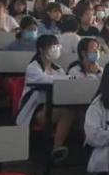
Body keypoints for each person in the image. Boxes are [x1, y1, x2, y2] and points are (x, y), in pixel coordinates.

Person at [15, 34, 74, 163]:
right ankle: (55, 147)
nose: (56, 49)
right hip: (36, 110)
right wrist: (67, 78)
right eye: (52, 47)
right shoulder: (33, 67)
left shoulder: (58, 69)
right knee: (65, 109)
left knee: (70, 109)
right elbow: (46, 80)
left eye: (57, 46)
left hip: (54, 106)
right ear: (41, 49)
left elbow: (64, 83)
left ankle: (57, 148)